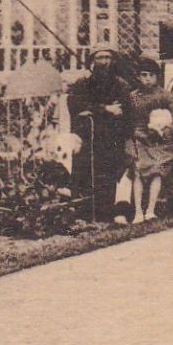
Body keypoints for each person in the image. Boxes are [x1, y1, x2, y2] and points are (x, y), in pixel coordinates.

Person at [66, 47, 131, 222]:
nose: (104, 61)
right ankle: (86, 211)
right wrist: (105, 108)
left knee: (112, 172)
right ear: (93, 61)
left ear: (113, 60)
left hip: (113, 136)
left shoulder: (121, 85)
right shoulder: (83, 84)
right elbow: (76, 105)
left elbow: (125, 110)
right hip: (89, 136)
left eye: (107, 57)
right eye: (100, 57)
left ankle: (112, 212)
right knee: (87, 172)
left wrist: (95, 109)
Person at [124, 56, 173, 223]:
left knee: (157, 171)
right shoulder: (132, 97)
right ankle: (138, 212)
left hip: (161, 142)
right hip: (139, 140)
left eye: (151, 75)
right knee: (137, 170)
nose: (147, 79)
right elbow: (126, 121)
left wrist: (165, 132)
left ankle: (150, 210)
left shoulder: (165, 96)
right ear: (138, 77)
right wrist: (137, 133)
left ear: (157, 77)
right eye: (143, 75)